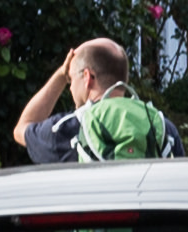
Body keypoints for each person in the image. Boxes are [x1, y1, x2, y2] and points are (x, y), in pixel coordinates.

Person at [12, 36, 175, 165]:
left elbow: (21, 129)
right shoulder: (162, 127)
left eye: (71, 79)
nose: (70, 88)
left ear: (87, 77)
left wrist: (61, 74)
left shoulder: (67, 130)